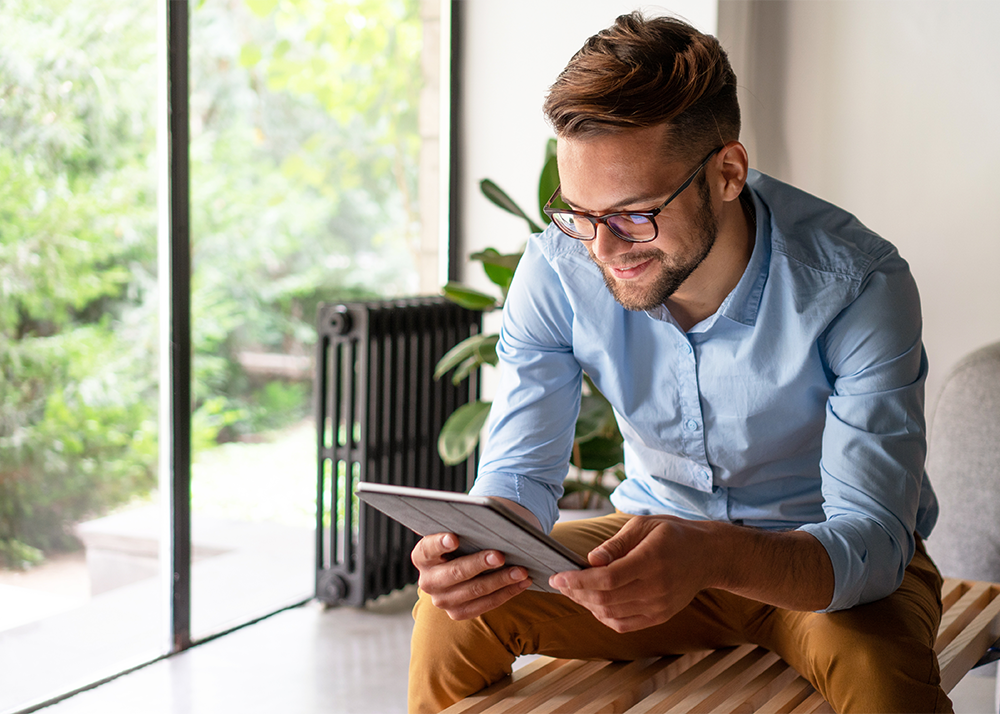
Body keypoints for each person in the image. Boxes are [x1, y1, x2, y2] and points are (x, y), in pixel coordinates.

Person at [409, 11, 949, 714]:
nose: (601, 248)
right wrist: (477, 550)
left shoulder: (857, 285)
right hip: (648, 547)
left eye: (635, 214)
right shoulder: (557, 265)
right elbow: (518, 475)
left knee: (884, 682)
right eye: (580, 213)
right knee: (451, 619)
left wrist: (715, 554)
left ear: (727, 172)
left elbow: (873, 543)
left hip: (819, 565)